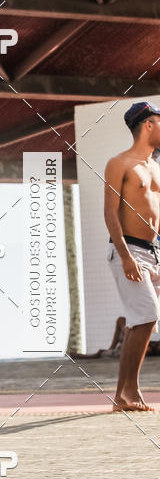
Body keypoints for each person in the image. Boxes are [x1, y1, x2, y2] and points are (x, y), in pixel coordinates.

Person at [104, 101, 160, 411]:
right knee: (148, 314)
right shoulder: (119, 163)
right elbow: (110, 213)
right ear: (148, 125)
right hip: (127, 248)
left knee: (144, 321)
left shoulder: (156, 166)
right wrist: (125, 256)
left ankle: (125, 395)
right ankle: (127, 394)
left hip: (153, 252)